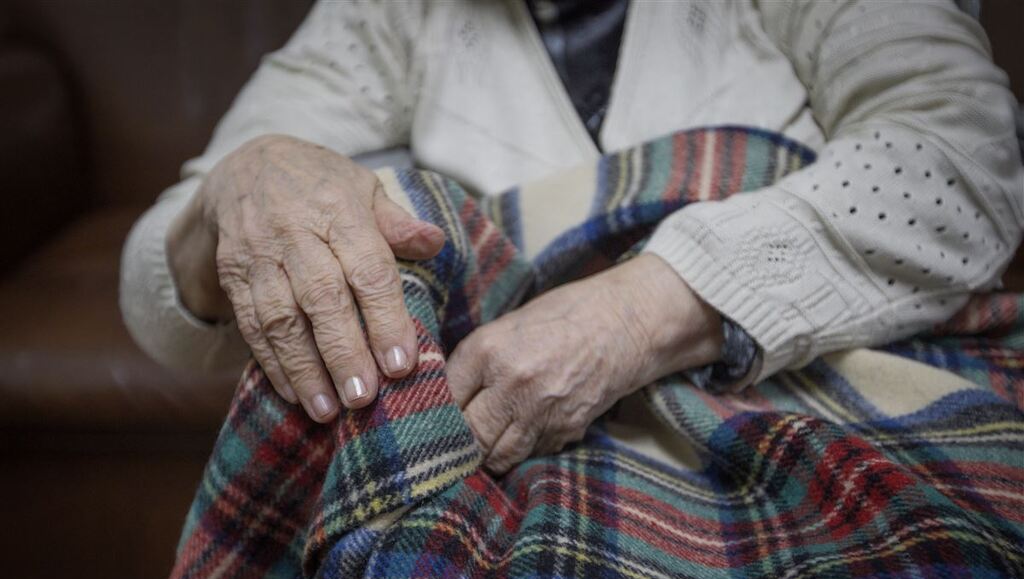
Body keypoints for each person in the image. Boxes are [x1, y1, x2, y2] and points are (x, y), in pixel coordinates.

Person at [120, 0, 1023, 472]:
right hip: (532, 460)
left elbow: (964, 151)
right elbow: (155, 296)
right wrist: (241, 188)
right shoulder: (390, 13)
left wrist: (638, 314)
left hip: (806, 405)